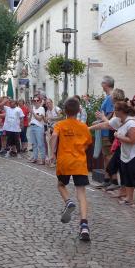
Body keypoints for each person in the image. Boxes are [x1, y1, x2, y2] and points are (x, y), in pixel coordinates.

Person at [49, 97, 92, 241]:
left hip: (64, 161)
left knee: (61, 185)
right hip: (79, 162)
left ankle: (68, 202)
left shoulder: (60, 125)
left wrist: (52, 153)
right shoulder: (83, 126)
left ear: (64, 111)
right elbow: (88, 143)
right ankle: (84, 226)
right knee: (81, 193)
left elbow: (54, 136)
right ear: (79, 110)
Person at [97, 76, 116, 187]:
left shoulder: (110, 97)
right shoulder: (108, 97)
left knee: (109, 155)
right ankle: (107, 178)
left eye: (102, 83)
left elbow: (110, 114)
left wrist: (101, 121)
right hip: (104, 129)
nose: (101, 85)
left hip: (107, 130)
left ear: (107, 84)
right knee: (106, 155)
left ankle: (113, 180)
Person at [27, 95, 47, 165]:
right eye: (34, 100)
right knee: (33, 144)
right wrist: (30, 113)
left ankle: (43, 159)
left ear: (40, 101)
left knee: (40, 144)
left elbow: (39, 119)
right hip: (32, 126)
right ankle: (35, 158)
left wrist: (33, 112)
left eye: (37, 100)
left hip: (38, 127)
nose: (35, 102)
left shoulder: (41, 108)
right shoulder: (33, 108)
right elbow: (29, 120)